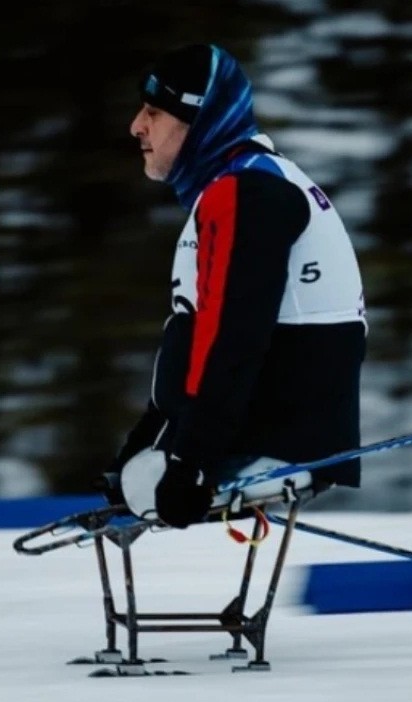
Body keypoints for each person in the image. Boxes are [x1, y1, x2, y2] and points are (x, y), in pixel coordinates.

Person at [95, 43, 368, 529]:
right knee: (136, 478)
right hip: (264, 430)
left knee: (146, 485)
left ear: (199, 121)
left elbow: (233, 336)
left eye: (154, 112)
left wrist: (191, 461)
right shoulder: (245, 183)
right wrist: (141, 447)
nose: (136, 126)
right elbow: (204, 337)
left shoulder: (246, 193)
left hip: (271, 444)